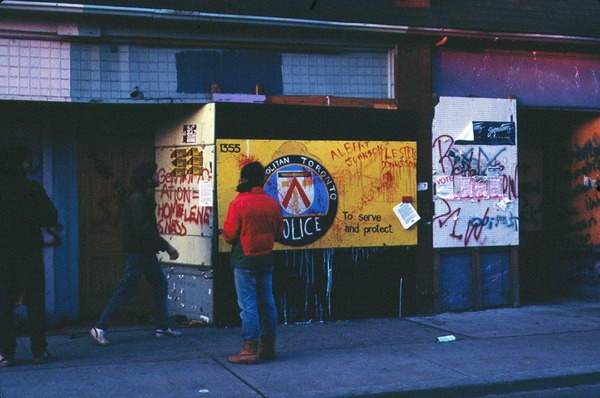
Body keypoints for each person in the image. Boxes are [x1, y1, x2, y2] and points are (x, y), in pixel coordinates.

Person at [90, 161, 180, 346]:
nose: (158, 177)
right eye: (155, 174)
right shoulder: (137, 199)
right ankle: (99, 328)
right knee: (126, 290)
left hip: (144, 253)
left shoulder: (142, 197)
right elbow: (145, 230)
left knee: (159, 285)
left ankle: (162, 327)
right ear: (148, 179)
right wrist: (167, 247)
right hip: (140, 254)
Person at [0, 145, 58, 366]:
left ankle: (5, 353)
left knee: (3, 303)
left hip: (2, 255)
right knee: (35, 303)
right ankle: (38, 352)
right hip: (29, 253)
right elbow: (51, 218)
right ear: (18, 164)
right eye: (25, 161)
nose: (28, 165)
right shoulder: (32, 188)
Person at [223, 161, 284, 364]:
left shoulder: (238, 203)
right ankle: (268, 348)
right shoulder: (273, 203)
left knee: (248, 305)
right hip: (266, 258)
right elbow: (279, 233)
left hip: (244, 260)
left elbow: (229, 236)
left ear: (244, 180)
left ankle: (249, 350)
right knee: (267, 302)